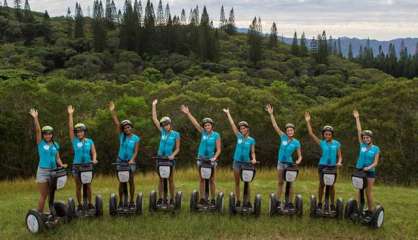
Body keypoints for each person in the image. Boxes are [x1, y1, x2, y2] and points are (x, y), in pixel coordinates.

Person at [181, 105, 221, 205]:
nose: (207, 127)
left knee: (212, 180)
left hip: (212, 160)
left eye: (209, 125)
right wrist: (188, 113)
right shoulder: (203, 133)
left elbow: (219, 149)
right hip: (201, 158)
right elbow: (195, 123)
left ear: (212, 125)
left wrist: (215, 157)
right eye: (205, 125)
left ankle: (212, 199)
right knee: (202, 179)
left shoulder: (216, 135)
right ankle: (202, 198)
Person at [29, 108, 66, 213]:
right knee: (43, 195)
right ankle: (39, 215)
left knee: (52, 193)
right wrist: (35, 118)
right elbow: (37, 131)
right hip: (43, 171)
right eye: (45, 134)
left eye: (49, 134)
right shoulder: (40, 143)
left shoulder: (55, 144)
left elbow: (57, 157)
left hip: (54, 172)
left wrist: (61, 164)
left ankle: (51, 212)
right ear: (43, 135)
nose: (48, 135)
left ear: (52, 134)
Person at [265, 104, 302, 209]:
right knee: (280, 182)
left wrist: (298, 161)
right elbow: (275, 126)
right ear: (286, 131)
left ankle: (289, 202)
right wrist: (271, 114)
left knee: (290, 184)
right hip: (281, 163)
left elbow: (300, 156)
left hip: (290, 164)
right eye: (288, 130)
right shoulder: (283, 137)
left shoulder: (296, 142)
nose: (290, 131)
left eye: (291, 130)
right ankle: (277, 201)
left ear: (294, 131)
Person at [304, 111, 342, 211]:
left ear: (332, 135)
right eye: (326, 134)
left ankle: (332, 204)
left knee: (332, 185)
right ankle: (320, 203)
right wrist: (308, 121)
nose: (327, 135)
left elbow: (340, 156)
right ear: (323, 135)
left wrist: (339, 162)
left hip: (333, 166)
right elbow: (311, 134)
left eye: (329, 134)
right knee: (322, 185)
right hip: (322, 166)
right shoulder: (322, 143)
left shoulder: (337, 143)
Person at [223, 108, 256, 207]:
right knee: (237, 182)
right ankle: (238, 200)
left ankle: (248, 201)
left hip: (246, 163)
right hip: (236, 163)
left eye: (244, 128)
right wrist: (228, 113)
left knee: (247, 182)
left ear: (247, 129)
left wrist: (253, 159)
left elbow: (253, 152)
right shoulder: (238, 136)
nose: (242, 130)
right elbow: (232, 125)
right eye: (241, 128)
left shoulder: (251, 140)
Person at [109, 101, 140, 208]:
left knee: (131, 181)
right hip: (120, 160)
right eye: (125, 128)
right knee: (122, 181)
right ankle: (121, 201)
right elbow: (117, 124)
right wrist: (113, 111)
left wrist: (132, 160)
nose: (127, 129)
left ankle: (131, 201)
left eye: (128, 127)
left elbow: (136, 151)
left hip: (130, 162)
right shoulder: (121, 136)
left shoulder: (136, 138)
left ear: (131, 127)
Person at [67, 105, 98, 211]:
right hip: (76, 166)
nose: (79, 133)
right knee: (78, 186)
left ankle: (90, 203)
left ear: (84, 132)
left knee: (88, 185)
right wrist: (70, 114)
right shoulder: (74, 141)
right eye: (78, 132)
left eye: (81, 131)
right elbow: (70, 128)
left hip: (88, 165)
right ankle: (79, 204)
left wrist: (94, 159)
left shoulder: (90, 141)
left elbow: (94, 152)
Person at [152, 99, 180, 205]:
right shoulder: (162, 131)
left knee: (170, 179)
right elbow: (154, 118)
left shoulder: (176, 134)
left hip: (169, 159)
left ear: (170, 124)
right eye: (164, 125)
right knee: (161, 179)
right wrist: (154, 105)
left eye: (167, 124)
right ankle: (160, 198)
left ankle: (172, 198)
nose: (166, 126)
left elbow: (178, 148)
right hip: (160, 157)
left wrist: (172, 155)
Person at [353, 109, 380, 213]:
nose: (365, 139)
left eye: (367, 137)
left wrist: (368, 167)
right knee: (359, 192)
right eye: (364, 138)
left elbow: (376, 162)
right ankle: (358, 210)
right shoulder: (362, 145)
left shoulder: (376, 148)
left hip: (369, 172)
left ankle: (370, 210)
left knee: (368, 192)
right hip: (359, 170)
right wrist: (357, 118)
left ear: (371, 138)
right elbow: (359, 131)